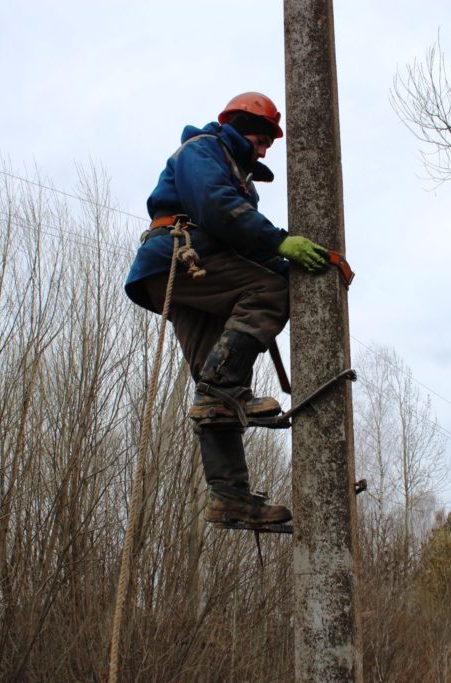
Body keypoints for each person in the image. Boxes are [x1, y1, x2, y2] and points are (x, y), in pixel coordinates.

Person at [124, 92, 327, 525]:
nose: (264, 147)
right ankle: (223, 388)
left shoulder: (240, 177)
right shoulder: (203, 149)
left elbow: (241, 243)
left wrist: (287, 259)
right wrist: (279, 245)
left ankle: (229, 495)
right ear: (235, 124)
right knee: (269, 292)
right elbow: (218, 210)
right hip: (180, 257)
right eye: (260, 136)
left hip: (191, 273)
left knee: (212, 391)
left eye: (270, 142)